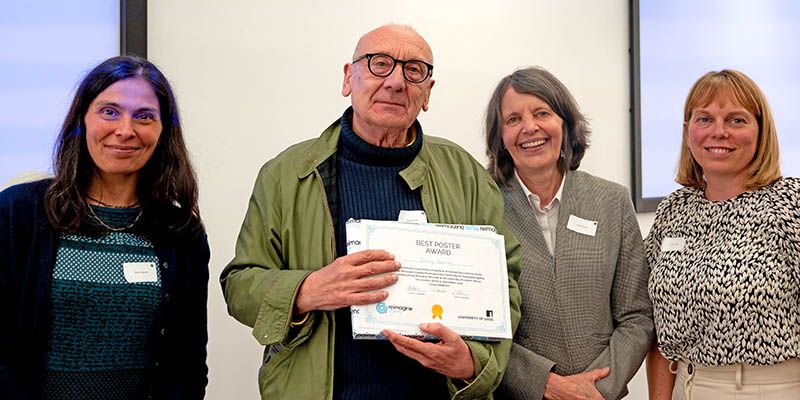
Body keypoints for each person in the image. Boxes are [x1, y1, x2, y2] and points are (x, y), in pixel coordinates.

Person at [220, 24, 521, 400]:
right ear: (349, 77)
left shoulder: (465, 173)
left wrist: (474, 363)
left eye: (414, 70)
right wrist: (307, 289)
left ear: (427, 92)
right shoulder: (286, 173)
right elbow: (239, 285)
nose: (396, 81)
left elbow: (504, 279)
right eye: (380, 64)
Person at [0, 55, 209, 399]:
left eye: (144, 116)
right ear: (82, 119)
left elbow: (187, 362)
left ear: (163, 131)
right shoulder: (18, 213)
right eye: (109, 111)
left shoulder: (180, 231)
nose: (125, 130)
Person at [484, 67, 654, 400]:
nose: (529, 127)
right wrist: (546, 385)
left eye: (542, 113)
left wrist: (596, 389)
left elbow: (637, 315)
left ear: (564, 123)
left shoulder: (612, 201)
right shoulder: (482, 207)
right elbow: (480, 328)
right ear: (500, 137)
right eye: (513, 119)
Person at [645, 70, 800, 399]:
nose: (719, 132)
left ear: (761, 130)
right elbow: (655, 326)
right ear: (688, 133)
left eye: (736, 120)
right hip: (688, 385)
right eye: (704, 119)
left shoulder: (791, 204)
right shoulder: (673, 210)